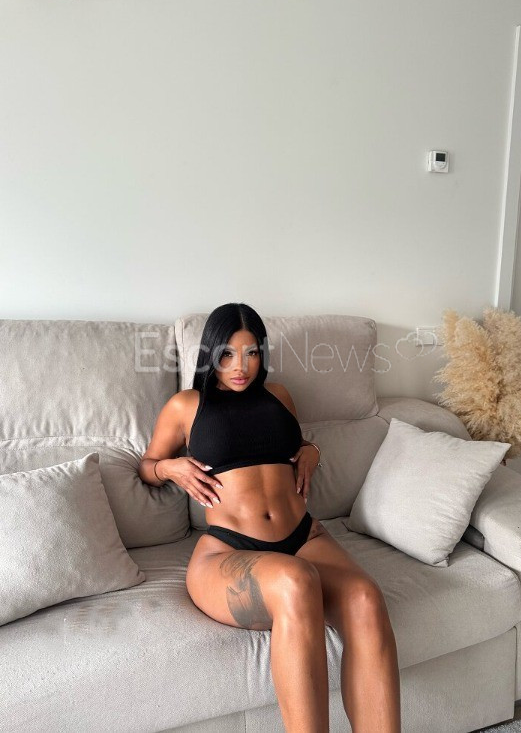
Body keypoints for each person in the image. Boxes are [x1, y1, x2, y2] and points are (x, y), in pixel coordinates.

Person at [138, 302, 401, 733]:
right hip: (229, 550)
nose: (240, 367)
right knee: (296, 582)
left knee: (366, 599)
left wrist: (312, 451)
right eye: (227, 354)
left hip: (304, 537)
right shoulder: (186, 405)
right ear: (210, 355)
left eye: (251, 354)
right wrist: (169, 468)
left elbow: (297, 447)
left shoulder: (279, 396)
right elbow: (147, 467)